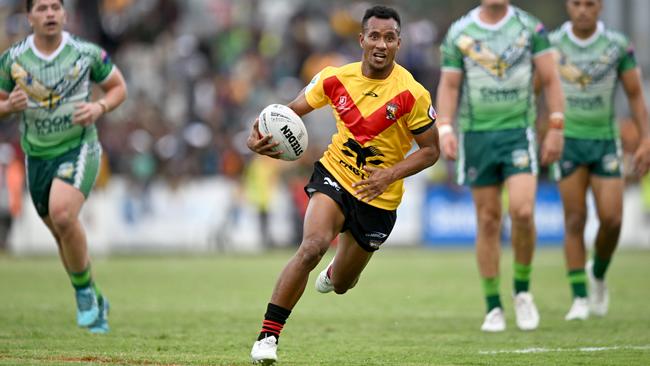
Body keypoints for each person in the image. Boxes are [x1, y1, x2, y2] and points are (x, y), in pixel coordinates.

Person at [246, 6, 439, 364]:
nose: (381, 44)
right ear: (361, 39)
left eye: (390, 37)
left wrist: (389, 174)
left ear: (399, 43)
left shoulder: (413, 94)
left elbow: (431, 152)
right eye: (375, 36)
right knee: (312, 247)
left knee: (343, 284)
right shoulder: (334, 79)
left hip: (379, 199)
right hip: (335, 174)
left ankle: (335, 273)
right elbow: (283, 117)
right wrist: (256, 137)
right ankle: (268, 337)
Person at [436, 0, 565, 332]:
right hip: (477, 136)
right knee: (489, 219)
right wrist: (445, 127)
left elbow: (551, 79)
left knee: (522, 211)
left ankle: (522, 292)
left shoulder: (531, 28)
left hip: (517, 134)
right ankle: (493, 306)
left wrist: (556, 127)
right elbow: (449, 85)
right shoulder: (460, 32)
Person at [0, 0, 127, 333]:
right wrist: (7, 106)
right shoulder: (12, 60)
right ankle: (95, 296)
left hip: (79, 147)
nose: (50, 13)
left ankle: (83, 294)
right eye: (41, 8)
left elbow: (118, 87)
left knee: (62, 214)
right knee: (61, 232)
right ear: (29, 17)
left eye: (56, 6)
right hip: (37, 156)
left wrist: (99, 107)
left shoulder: (85, 53)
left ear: (65, 14)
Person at [548, 0, 650, 321]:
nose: (582, 10)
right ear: (568, 6)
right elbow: (538, 88)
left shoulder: (617, 45)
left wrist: (645, 137)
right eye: (577, 4)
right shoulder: (551, 44)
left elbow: (635, 94)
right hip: (568, 142)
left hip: (605, 141)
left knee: (612, 220)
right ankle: (579, 298)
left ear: (600, 7)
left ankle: (599, 272)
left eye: (589, 4)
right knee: (575, 220)